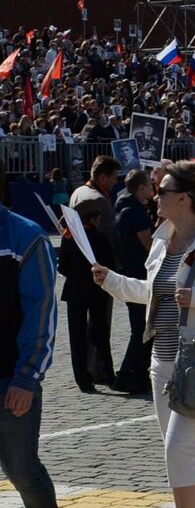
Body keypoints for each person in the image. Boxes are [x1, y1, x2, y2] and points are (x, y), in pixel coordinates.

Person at [92, 160, 195, 508]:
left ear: (183, 199)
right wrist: (111, 281)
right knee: (179, 454)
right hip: (162, 363)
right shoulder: (161, 240)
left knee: (179, 449)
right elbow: (153, 292)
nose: (155, 197)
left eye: (162, 191)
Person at [0, 164, 60, 508]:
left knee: (21, 470)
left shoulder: (26, 236)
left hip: (11, 378)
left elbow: (42, 312)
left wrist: (27, 377)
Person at [57, 197, 117, 392]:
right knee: (100, 335)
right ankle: (108, 375)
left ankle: (83, 381)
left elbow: (63, 268)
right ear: (92, 217)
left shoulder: (68, 238)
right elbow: (110, 265)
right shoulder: (99, 237)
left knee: (77, 336)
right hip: (97, 292)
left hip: (74, 292)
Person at [111, 168, 155, 394]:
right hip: (138, 273)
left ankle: (135, 372)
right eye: (149, 184)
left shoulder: (122, 204)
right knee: (141, 328)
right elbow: (149, 244)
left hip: (130, 270)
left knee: (141, 326)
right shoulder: (134, 210)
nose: (152, 188)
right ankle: (129, 373)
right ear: (140, 188)